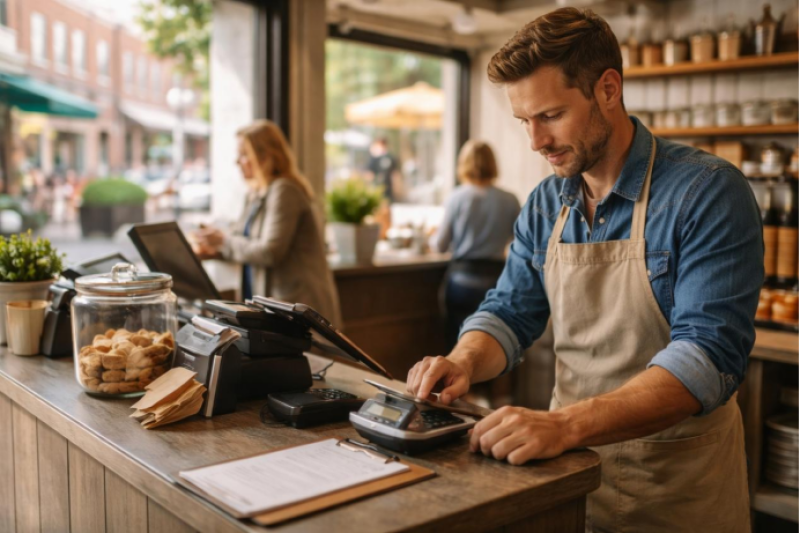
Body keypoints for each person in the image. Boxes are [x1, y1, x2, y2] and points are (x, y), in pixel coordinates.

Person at [406, 8, 762, 533]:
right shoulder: (546, 203)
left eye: (550, 115)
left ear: (608, 89)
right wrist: (463, 360)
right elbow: (509, 311)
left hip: (676, 490)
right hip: (568, 479)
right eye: (523, 121)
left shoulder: (706, 192)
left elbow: (706, 357)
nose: (535, 141)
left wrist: (564, 424)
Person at [193, 120, 342, 325]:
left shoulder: (284, 191)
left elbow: (270, 252)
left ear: (266, 156)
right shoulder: (254, 194)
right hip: (273, 308)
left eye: (244, 154)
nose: (238, 161)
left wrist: (223, 242)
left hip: (298, 308)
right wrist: (214, 248)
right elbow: (243, 244)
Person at [433, 141, 521, 349]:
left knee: (457, 340)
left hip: (462, 281)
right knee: (494, 340)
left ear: (463, 164)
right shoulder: (509, 199)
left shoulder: (456, 197)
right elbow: (522, 241)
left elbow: (440, 245)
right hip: (496, 281)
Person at [366, 138, 400, 203]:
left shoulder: (390, 157)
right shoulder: (374, 158)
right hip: (377, 188)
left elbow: (395, 174)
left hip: (387, 188)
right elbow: (370, 174)